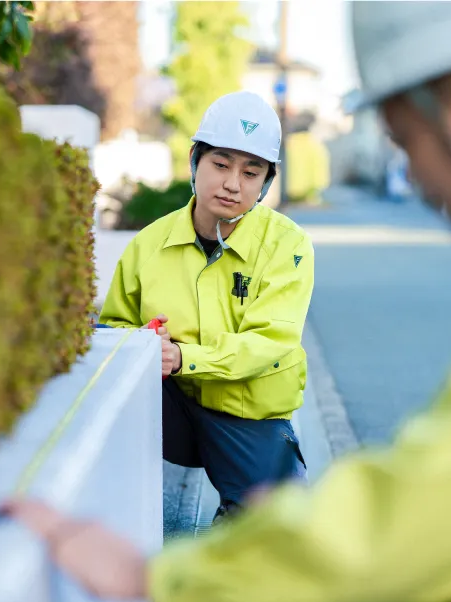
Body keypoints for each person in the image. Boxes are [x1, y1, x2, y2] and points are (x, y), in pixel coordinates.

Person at [3, 2, 451, 602]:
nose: (414, 181)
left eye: (404, 141)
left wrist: (163, 578)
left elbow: (426, 512)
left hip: (250, 415)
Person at [96, 90, 314, 523]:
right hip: (172, 405)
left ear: (266, 183)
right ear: (195, 160)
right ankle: (114, 523)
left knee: (284, 527)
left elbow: (270, 341)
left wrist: (183, 357)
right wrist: (140, 344)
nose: (233, 183)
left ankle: (240, 510)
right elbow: (114, 327)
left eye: (251, 173)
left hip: (246, 414)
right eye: (220, 164)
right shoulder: (148, 245)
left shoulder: (288, 246)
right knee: (104, 387)